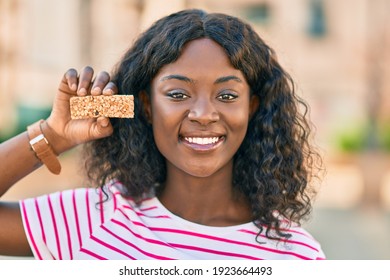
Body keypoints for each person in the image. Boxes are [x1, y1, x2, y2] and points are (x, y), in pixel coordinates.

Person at [0, 9, 325, 260]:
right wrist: (54, 135)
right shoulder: (95, 217)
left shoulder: (295, 255)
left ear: (252, 107)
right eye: (178, 94)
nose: (203, 114)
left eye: (226, 96)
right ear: (146, 105)